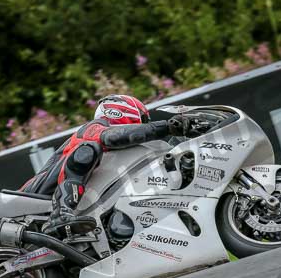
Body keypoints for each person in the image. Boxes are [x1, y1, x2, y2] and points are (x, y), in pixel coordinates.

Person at [20, 95, 196, 237]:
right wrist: (166, 127)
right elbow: (112, 137)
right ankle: (60, 213)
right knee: (87, 150)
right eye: (143, 120)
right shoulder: (95, 127)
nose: (144, 125)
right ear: (122, 113)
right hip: (34, 196)